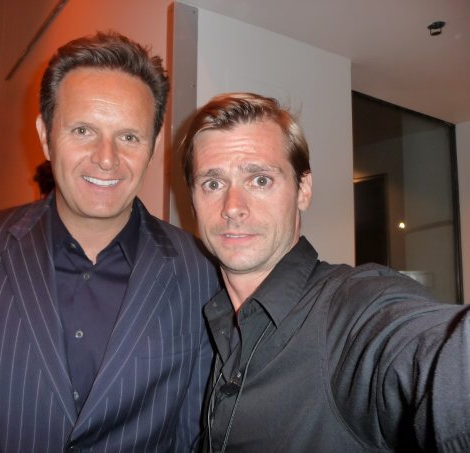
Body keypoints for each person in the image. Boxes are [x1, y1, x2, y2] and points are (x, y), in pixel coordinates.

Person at [0, 32, 219, 452]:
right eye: (83, 130)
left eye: (129, 137)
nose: (106, 158)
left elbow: (197, 433)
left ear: (154, 146)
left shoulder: (198, 269)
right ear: (46, 135)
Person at [181, 92, 470, 452]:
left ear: (303, 190)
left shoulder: (355, 306)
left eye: (260, 180)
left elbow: (432, 354)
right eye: (213, 183)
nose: (233, 207)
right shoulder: (217, 318)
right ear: (192, 201)